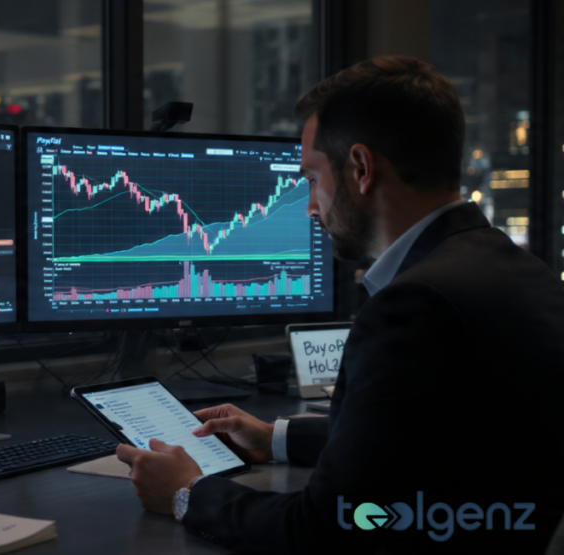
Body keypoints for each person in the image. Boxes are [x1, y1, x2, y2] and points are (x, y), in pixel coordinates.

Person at [116, 56, 564, 553]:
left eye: (311, 178)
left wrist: (187, 492)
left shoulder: (414, 306)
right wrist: (277, 438)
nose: (310, 206)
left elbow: (323, 530)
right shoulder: (519, 271)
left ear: (361, 168)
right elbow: (428, 435)